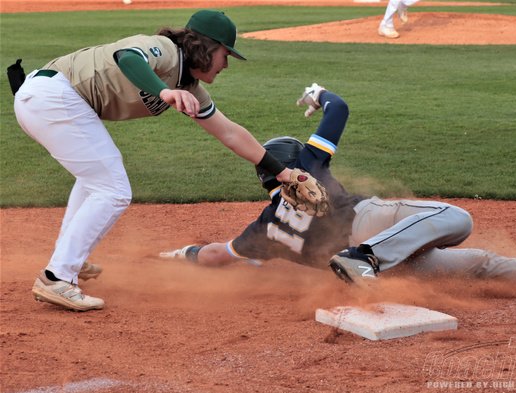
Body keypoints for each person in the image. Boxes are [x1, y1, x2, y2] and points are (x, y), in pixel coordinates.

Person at [159, 83, 516, 297]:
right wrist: (318, 94)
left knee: (479, 264)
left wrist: (179, 255)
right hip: (368, 232)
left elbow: (217, 256)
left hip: (375, 266)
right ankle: (364, 257)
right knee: (457, 219)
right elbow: (339, 108)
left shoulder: (261, 231)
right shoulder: (306, 167)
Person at [13, 10, 323, 312]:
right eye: (225, 54)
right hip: (51, 96)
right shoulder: (166, 50)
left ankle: (69, 261)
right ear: (205, 47)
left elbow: (229, 133)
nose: (226, 64)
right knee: (113, 188)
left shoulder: (190, 88)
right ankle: (57, 277)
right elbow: (127, 57)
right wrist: (164, 92)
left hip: (50, 100)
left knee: (96, 180)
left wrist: (284, 173)